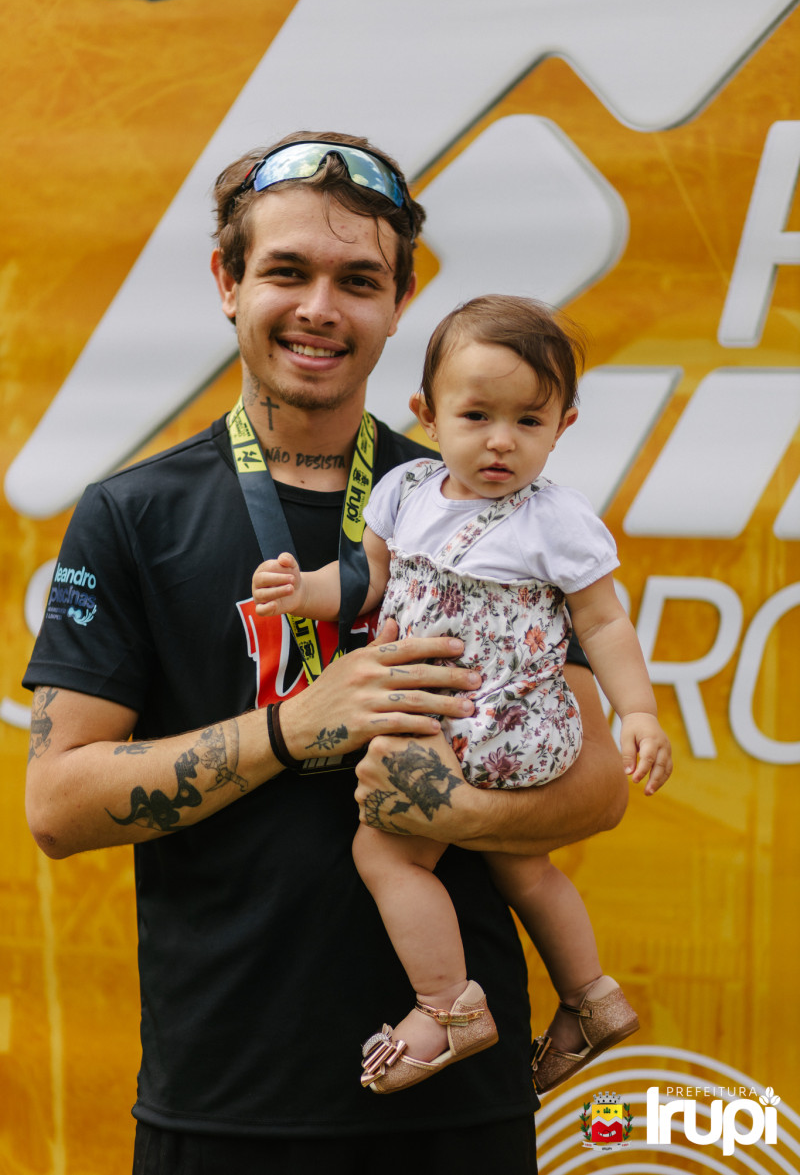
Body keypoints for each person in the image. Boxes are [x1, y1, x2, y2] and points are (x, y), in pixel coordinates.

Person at [23, 132, 628, 1175]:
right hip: (225, 1099)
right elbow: (57, 806)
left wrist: (443, 807)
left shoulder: (490, 503)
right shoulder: (131, 514)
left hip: (457, 1101)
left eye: (357, 280)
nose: (320, 308)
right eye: (286, 271)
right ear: (228, 283)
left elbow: (599, 786)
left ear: (399, 303)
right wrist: (292, 726)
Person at [252, 293, 672, 1096]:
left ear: (564, 425)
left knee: (384, 853)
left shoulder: (556, 519)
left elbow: (605, 621)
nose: (501, 440)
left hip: (480, 721)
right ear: (428, 413)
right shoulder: (406, 490)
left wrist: (640, 712)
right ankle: (592, 995)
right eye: (477, 415)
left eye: (529, 420)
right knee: (523, 867)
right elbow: (366, 581)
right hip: (497, 727)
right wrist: (302, 591)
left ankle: (447, 1005)